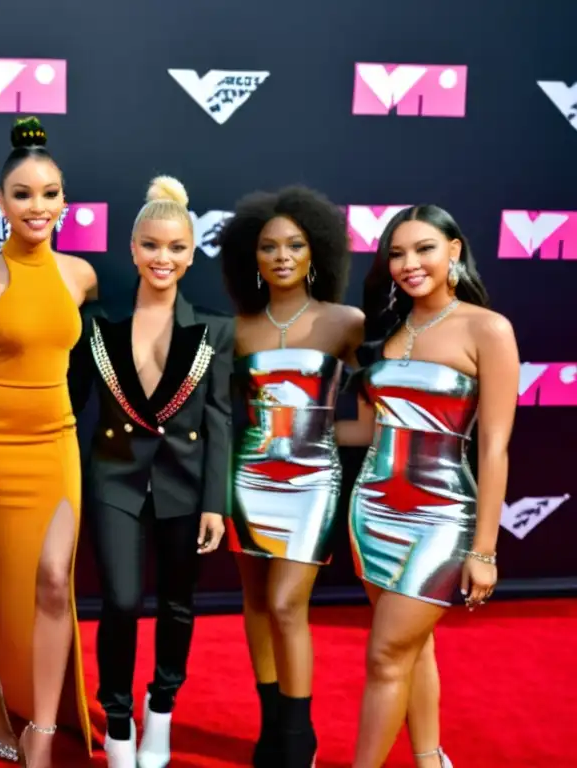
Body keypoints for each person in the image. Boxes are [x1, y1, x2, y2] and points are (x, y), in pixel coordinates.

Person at [337, 205, 518, 768]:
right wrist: (283, 425)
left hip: (441, 517)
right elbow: (365, 431)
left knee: (385, 655)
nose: (409, 263)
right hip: (372, 511)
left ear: (455, 252)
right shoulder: (387, 331)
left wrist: (483, 551)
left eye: (423, 249)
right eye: (396, 253)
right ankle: (429, 757)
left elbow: (493, 448)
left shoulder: (487, 329)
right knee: (412, 649)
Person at [68, 176, 232, 768]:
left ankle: (160, 712)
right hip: (113, 479)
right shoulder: (97, 328)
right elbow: (67, 408)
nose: (164, 258)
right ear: (133, 248)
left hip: (185, 485)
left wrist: (216, 502)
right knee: (119, 600)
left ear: (191, 254)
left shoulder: (215, 330)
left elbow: (220, 421)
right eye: (152, 245)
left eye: (176, 247)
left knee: (178, 604)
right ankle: (117, 720)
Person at [0, 116, 98, 767]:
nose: (36, 206)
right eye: (22, 193)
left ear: (64, 201)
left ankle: (50, 712)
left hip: (58, 445)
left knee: (50, 581)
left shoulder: (81, 277)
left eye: (48, 193)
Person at [215, 186, 362, 767]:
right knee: (255, 603)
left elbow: (374, 418)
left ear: (315, 252)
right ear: (250, 258)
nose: (281, 256)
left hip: (311, 484)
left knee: (284, 604)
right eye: (268, 246)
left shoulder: (345, 323)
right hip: (248, 482)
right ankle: (272, 724)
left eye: (294, 245)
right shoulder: (238, 329)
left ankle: (299, 739)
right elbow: (225, 417)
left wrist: (321, 436)